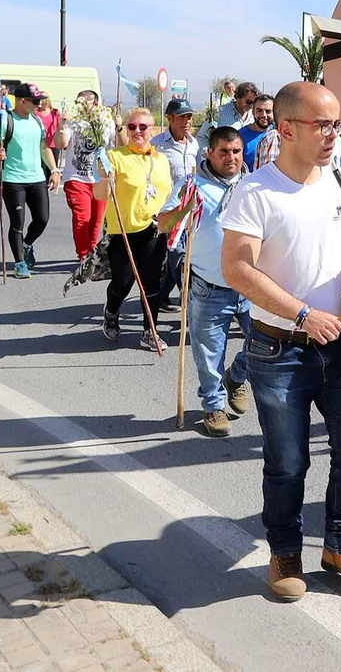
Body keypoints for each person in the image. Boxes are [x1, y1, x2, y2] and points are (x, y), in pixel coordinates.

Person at [222, 81, 341, 601]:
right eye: (323, 125)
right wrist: (301, 312)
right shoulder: (255, 192)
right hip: (278, 348)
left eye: (337, 124)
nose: (333, 135)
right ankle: (285, 552)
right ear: (287, 128)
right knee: (288, 459)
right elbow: (237, 269)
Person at [159, 126, 252, 437]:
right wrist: (184, 210)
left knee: (265, 345)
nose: (231, 157)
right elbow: (163, 224)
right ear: (209, 153)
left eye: (236, 151)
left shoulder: (253, 186)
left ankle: (236, 378)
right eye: (223, 151)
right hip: (208, 286)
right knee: (208, 353)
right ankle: (213, 405)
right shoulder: (192, 185)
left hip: (252, 286)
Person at [93, 107, 174, 348]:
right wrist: (108, 178)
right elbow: (99, 194)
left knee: (151, 282)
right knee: (123, 281)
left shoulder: (161, 159)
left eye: (143, 127)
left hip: (154, 230)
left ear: (152, 130)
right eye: (132, 127)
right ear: (126, 129)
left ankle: (150, 332)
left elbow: (168, 193)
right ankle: (111, 311)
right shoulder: (114, 157)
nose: (137, 131)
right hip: (123, 231)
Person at [0, 83, 57, 278]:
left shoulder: (37, 120)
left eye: (40, 100)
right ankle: (19, 263)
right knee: (17, 223)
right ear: (21, 101)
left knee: (42, 219)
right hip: (13, 179)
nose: (39, 104)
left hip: (37, 178)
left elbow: (45, 147)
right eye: (35, 101)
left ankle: (26, 245)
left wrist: (54, 170)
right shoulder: (4, 119)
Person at [153, 98, 201, 312]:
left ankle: (161, 295)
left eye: (189, 116)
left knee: (177, 255)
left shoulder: (194, 144)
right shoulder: (157, 144)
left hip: (189, 210)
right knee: (178, 255)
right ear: (169, 118)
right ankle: (190, 301)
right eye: (181, 117)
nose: (186, 121)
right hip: (168, 211)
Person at [56, 88, 114, 259]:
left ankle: (91, 252)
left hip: (99, 179)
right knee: (83, 218)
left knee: (96, 220)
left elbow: (117, 145)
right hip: (76, 178)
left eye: (85, 102)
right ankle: (84, 255)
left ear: (95, 103)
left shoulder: (106, 122)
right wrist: (62, 125)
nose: (81, 106)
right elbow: (61, 144)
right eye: (79, 102)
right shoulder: (73, 123)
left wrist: (118, 127)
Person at [198, 81, 259, 148]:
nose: (251, 105)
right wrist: (208, 154)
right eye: (248, 102)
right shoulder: (219, 113)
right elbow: (202, 137)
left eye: (254, 102)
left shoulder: (255, 116)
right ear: (238, 97)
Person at [239, 93, 276, 170]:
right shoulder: (240, 136)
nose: (264, 115)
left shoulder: (280, 135)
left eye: (268, 111)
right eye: (259, 110)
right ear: (253, 112)